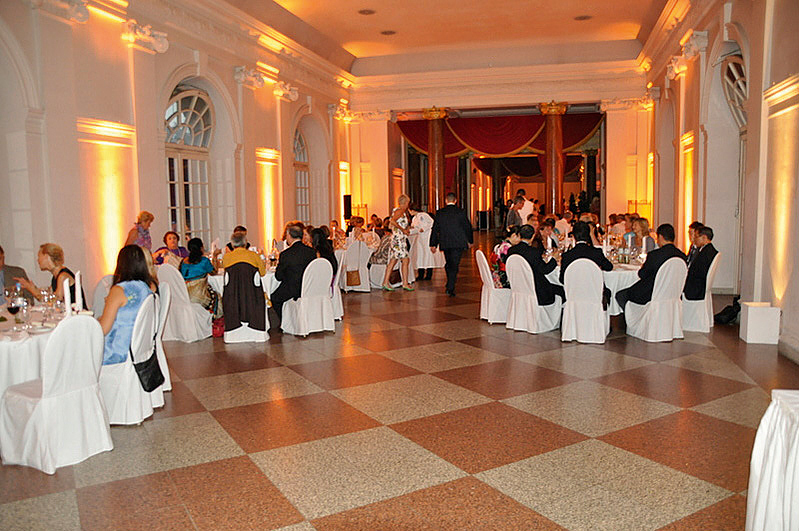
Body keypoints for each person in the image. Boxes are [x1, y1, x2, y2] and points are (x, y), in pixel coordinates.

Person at [97, 245, 156, 365]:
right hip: (139, 349)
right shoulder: (147, 288)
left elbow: (103, 329)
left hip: (117, 353)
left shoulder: (119, 290)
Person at [615, 223, 687, 310]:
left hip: (651, 294)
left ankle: (636, 316)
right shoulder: (682, 256)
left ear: (660, 237)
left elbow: (642, 274)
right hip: (673, 295)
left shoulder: (655, 255)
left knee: (621, 295)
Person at [504, 224, 565, 305]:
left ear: (519, 235)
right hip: (536, 291)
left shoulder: (511, 250)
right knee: (562, 290)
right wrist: (554, 259)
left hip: (518, 288)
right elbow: (545, 270)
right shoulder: (533, 252)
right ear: (533, 236)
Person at [16, 243, 87, 309]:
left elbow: (56, 300)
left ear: (47, 256)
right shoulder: (56, 276)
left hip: (77, 316)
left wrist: (32, 290)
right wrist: (32, 288)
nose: (38, 260)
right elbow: (47, 297)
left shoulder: (63, 276)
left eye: (39, 256)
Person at [560, 221, 612, 308]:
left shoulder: (567, 256)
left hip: (574, 296)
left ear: (574, 236)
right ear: (588, 235)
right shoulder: (596, 253)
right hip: (595, 295)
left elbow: (562, 279)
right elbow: (609, 267)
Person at [430, 192, 473, 297]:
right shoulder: (460, 212)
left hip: (445, 242)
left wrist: (433, 243)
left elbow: (435, 229)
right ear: (455, 201)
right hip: (458, 242)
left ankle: (450, 284)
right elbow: (467, 227)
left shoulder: (440, 213)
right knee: (454, 264)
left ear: (446, 201)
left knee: (449, 262)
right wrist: (470, 241)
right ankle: (450, 286)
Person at [270, 223, 316, 320]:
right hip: (309, 286)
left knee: (274, 298)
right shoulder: (311, 252)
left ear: (289, 236)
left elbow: (278, 276)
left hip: (293, 289)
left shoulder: (286, 254)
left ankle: (284, 321)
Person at [180, 238, 221, 317]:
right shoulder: (204, 261)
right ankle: (212, 317)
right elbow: (214, 272)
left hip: (185, 294)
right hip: (199, 295)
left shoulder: (183, 261)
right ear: (201, 248)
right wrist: (215, 256)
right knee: (216, 295)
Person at [382, 194, 414, 291]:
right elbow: (392, 221)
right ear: (405, 202)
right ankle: (404, 283)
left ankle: (386, 282)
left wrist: (405, 229)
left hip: (398, 238)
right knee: (405, 260)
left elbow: (394, 223)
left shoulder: (399, 211)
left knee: (393, 260)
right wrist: (403, 230)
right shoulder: (399, 211)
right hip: (398, 239)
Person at [684, 226, 718, 300]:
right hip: (700, 286)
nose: (694, 239)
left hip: (696, 289)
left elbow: (696, 272)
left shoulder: (705, 254)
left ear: (704, 238)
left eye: (696, 237)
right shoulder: (710, 251)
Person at [409, 204, 442, 281]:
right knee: (420, 256)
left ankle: (429, 274)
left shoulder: (424, 215)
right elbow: (414, 228)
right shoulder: (414, 218)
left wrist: (424, 228)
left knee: (428, 255)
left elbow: (432, 223)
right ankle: (420, 274)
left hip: (427, 238)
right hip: (420, 239)